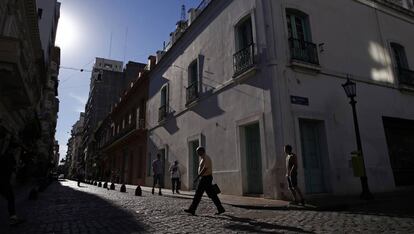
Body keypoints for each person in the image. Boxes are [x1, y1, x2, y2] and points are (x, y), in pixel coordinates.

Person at [184, 146, 225, 215]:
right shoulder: (202, 159)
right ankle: (220, 208)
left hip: (206, 178)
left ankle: (192, 209)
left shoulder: (206, 158)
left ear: (202, 151)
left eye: (198, 151)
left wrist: (198, 177)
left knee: (199, 194)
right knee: (211, 194)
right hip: (204, 178)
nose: (197, 153)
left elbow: (205, 168)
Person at [0, 142, 24, 226]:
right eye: (16, 150)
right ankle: (13, 218)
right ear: (13, 149)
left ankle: (13, 217)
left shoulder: (5, 155)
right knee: (10, 198)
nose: (17, 151)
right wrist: (19, 167)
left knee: (10, 198)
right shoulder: (10, 157)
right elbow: (14, 168)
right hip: (4, 181)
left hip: (4, 180)